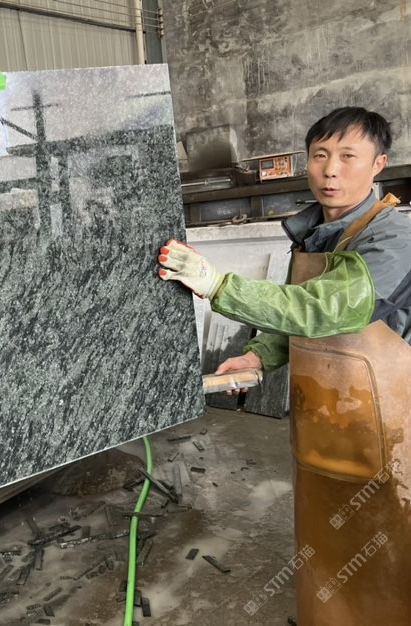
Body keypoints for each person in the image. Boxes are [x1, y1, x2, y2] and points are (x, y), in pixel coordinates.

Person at [158, 107, 411, 625]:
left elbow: (321, 308)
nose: (330, 170)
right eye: (320, 155)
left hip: (392, 430)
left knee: (390, 550)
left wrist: (217, 285)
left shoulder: (393, 238)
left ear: (378, 165)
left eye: (348, 156)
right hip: (328, 425)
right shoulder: (317, 231)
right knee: (327, 540)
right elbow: (294, 317)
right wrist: (258, 354)